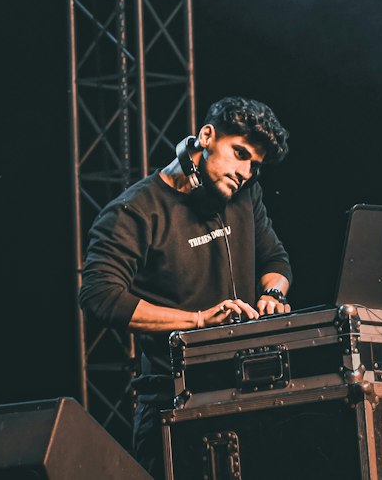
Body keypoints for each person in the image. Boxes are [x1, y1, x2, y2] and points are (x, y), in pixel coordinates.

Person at [79, 96, 292, 479]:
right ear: (206, 136)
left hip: (249, 395)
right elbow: (99, 296)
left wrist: (272, 294)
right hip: (172, 405)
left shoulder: (245, 197)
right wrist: (197, 321)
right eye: (239, 153)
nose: (245, 172)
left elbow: (275, 261)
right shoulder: (135, 211)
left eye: (254, 166)